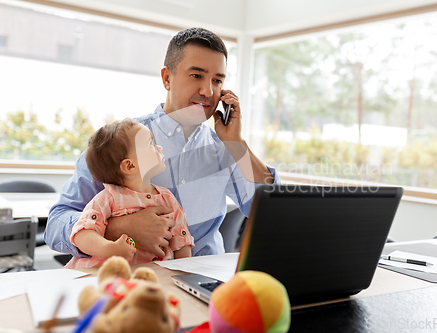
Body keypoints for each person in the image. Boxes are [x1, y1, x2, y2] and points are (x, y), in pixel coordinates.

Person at [45, 27, 280, 259]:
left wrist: (236, 142)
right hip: (136, 282)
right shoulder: (119, 141)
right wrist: (120, 227)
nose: (208, 91)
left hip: (206, 280)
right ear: (167, 78)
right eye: (197, 75)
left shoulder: (228, 148)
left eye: (217, 80)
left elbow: (274, 212)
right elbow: (56, 225)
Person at [64, 118, 193, 269]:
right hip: (104, 276)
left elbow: (181, 241)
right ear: (130, 165)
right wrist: (109, 248)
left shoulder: (168, 199)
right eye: (151, 144)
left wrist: (184, 271)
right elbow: (82, 233)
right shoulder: (107, 198)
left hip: (152, 277)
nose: (160, 148)